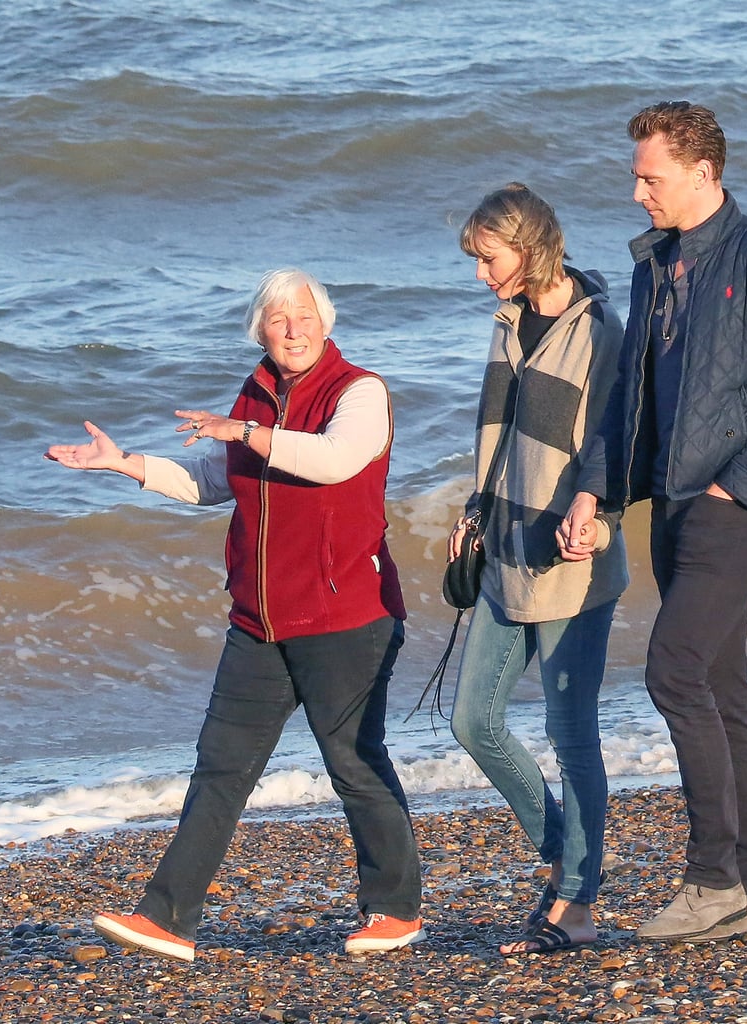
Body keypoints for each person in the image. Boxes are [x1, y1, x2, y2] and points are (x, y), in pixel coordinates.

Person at [45, 268, 424, 960]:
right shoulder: (254, 394)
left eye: (304, 316)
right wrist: (125, 464)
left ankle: (395, 911)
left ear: (327, 323)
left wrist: (248, 431)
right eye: (278, 319)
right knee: (220, 765)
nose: (293, 329)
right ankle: (167, 919)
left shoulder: (360, 391)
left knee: (353, 762)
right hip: (259, 620)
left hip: (346, 615)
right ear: (260, 331)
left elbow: (334, 461)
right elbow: (209, 482)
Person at [560, 102, 747, 943]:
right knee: (722, 691)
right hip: (672, 507)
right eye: (637, 175)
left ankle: (712, 880)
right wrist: (594, 494)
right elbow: (629, 402)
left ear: (703, 173)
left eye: (651, 176)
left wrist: (733, 487)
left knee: (672, 673)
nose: (637, 190)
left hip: (738, 505)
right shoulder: (654, 268)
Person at [448, 183, 629, 955]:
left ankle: (578, 905)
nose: (484, 275)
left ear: (529, 244)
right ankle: (566, 854)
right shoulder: (507, 322)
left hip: (571, 554)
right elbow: (498, 434)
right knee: (472, 722)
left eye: (490, 258)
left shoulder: (598, 329)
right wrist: (475, 510)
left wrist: (595, 510)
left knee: (570, 732)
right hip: (505, 550)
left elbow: (613, 441)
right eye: (480, 262)